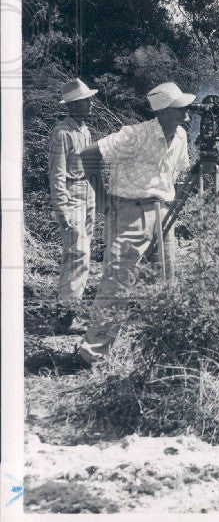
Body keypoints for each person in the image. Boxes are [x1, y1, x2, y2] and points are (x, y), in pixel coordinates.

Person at [76, 81, 194, 365]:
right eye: (180, 109)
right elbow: (89, 155)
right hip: (128, 212)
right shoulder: (135, 135)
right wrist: (102, 197)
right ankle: (92, 354)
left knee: (165, 282)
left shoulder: (180, 136)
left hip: (162, 213)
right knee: (117, 284)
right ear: (163, 111)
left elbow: (177, 172)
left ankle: (162, 349)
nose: (187, 115)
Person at [47, 78, 101, 332]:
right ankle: (65, 316)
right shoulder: (62, 133)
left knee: (81, 255)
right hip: (71, 196)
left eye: (89, 99)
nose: (90, 104)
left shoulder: (85, 131)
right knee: (78, 255)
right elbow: (56, 173)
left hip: (87, 195)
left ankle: (68, 312)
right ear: (73, 105)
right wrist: (62, 208)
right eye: (85, 100)